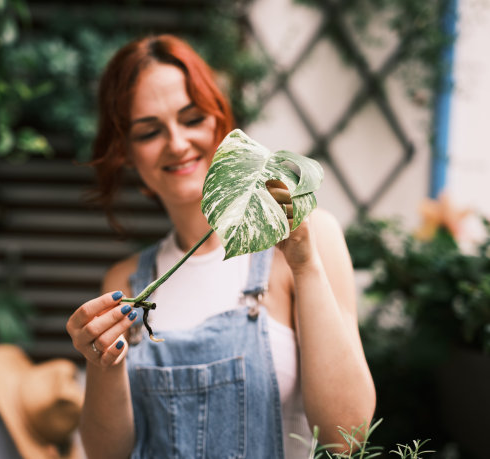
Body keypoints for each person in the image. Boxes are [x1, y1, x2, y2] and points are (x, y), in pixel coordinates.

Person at [67, 34, 376, 459]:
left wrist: (305, 265)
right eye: (150, 131)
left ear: (219, 123)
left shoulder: (305, 241)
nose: (177, 143)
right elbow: (108, 455)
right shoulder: (126, 283)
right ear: (125, 153)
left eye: (192, 118)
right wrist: (104, 366)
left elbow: (348, 437)